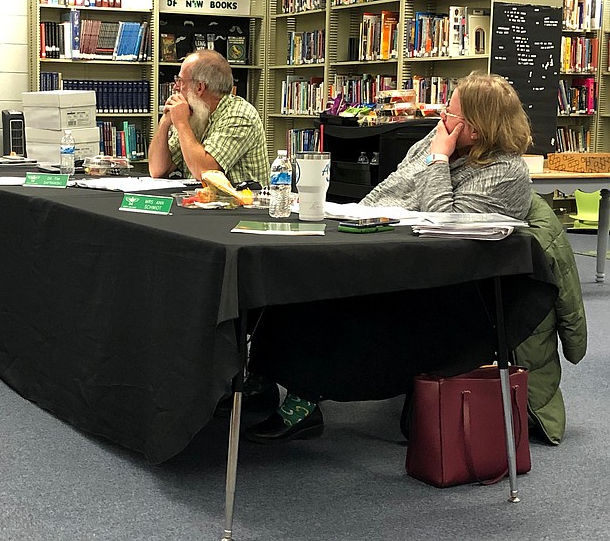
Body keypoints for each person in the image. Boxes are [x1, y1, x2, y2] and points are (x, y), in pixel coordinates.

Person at [243, 72, 534, 444]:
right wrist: (356, 218)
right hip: (392, 255)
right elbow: (389, 189)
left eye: (451, 113)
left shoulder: (505, 171)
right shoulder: (437, 139)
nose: (442, 119)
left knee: (324, 294)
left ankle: (303, 401)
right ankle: (263, 377)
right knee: (295, 272)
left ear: (475, 130)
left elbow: (443, 222)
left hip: (445, 287)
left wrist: (439, 160)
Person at [148, 49, 269, 185]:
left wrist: (181, 124)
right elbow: (157, 170)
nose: (176, 87)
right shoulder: (196, 115)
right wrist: (164, 123)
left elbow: (205, 173)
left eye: (181, 81)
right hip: (201, 201)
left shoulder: (239, 115)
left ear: (199, 87)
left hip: (240, 203)